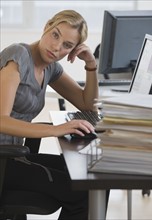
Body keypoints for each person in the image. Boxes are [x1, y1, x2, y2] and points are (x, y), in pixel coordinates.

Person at [0, 10, 109, 220]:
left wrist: (91, 64)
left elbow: (88, 105)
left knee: (96, 180)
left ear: (73, 50)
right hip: (3, 160)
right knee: (82, 193)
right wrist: (55, 130)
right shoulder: (17, 57)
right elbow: (2, 121)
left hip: (12, 157)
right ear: (47, 27)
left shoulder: (49, 68)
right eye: (55, 35)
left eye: (67, 45)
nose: (56, 47)